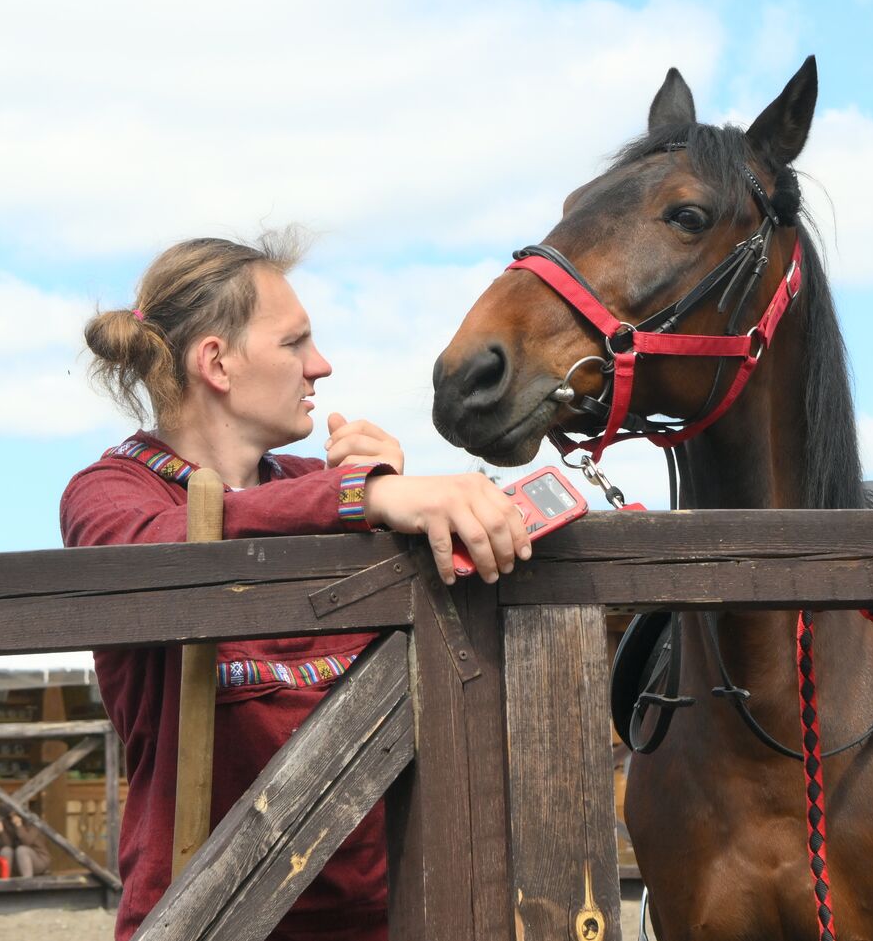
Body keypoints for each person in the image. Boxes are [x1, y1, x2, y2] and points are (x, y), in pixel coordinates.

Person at [60, 231, 528, 941]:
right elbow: (154, 548)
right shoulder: (110, 492)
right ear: (216, 361)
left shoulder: (324, 486)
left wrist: (387, 520)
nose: (322, 365)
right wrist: (362, 500)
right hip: (208, 922)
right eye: (295, 343)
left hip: (388, 922)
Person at [0, 811, 51, 878]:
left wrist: (19, 825)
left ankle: (27, 883)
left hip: (39, 860)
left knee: (22, 850)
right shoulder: (7, 822)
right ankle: (4, 883)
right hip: (17, 861)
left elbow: (27, 841)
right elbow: (7, 845)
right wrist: (2, 831)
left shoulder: (34, 822)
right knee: (5, 850)